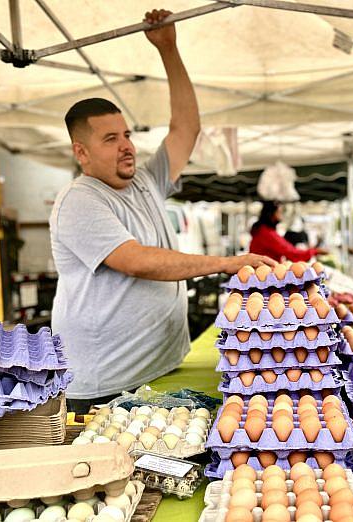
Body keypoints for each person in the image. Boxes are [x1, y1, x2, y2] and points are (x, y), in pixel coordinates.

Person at [49, 9, 275, 413]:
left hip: (157, 368)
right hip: (106, 385)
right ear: (81, 152)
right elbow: (136, 260)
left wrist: (169, 49)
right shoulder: (79, 200)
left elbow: (185, 130)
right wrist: (224, 263)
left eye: (128, 135)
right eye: (110, 139)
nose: (127, 146)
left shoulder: (144, 182)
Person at [249, 201, 328, 262]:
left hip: (263, 273)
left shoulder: (261, 231)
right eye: (279, 212)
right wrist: (315, 251)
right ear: (271, 214)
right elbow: (292, 253)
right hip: (265, 276)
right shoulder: (266, 233)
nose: (281, 215)